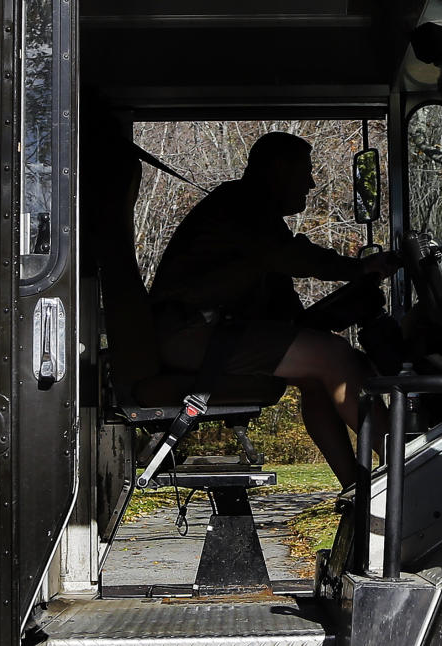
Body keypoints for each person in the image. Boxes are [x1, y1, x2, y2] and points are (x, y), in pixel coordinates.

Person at [148, 132, 396, 487]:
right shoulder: (243, 205)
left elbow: (282, 294)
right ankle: (405, 466)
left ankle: (356, 491)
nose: (311, 183)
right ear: (279, 169)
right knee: (334, 357)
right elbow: (291, 257)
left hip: (206, 333)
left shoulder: (252, 213)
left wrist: (318, 319)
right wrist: (360, 268)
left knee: (316, 375)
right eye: (306, 172)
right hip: (193, 334)